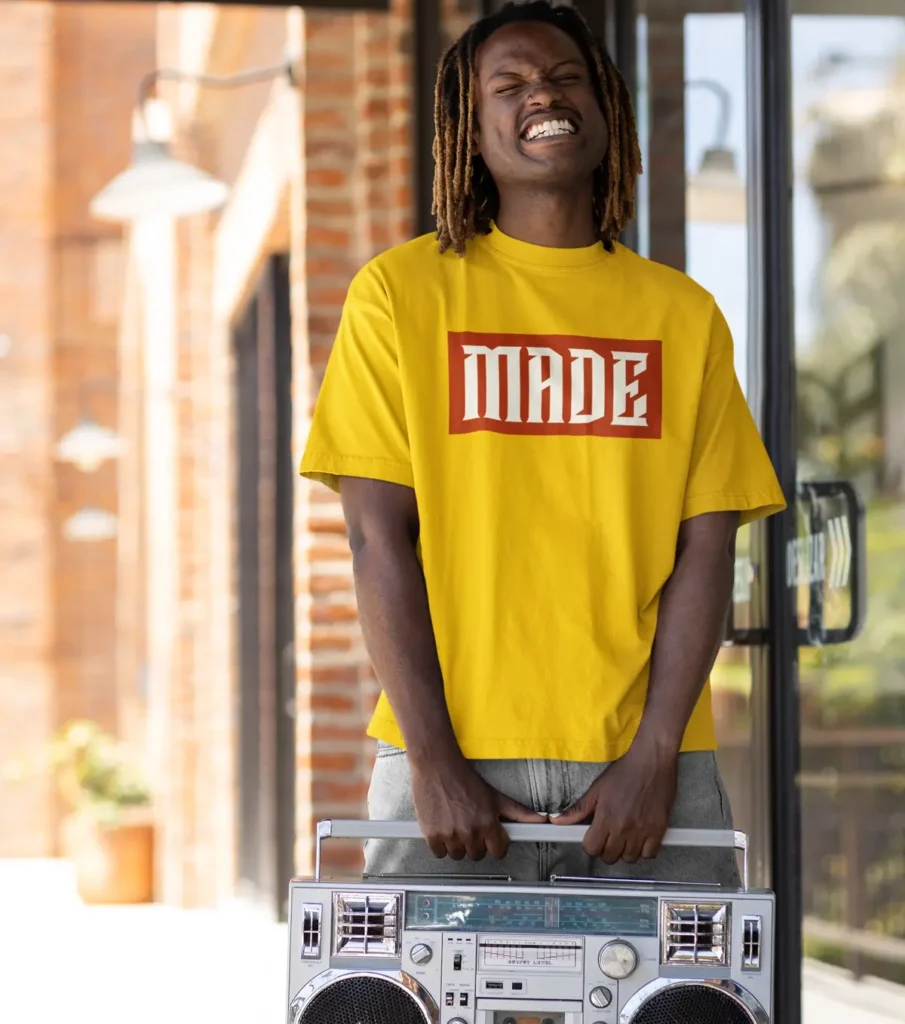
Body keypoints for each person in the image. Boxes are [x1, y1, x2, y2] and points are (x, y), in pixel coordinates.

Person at [300, 0, 785, 886]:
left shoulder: (680, 315)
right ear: (468, 125)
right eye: (509, 83)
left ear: (603, 105)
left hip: (648, 762)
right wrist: (434, 763)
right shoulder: (400, 297)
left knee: (676, 1013)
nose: (541, 95)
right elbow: (376, 541)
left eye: (563, 78)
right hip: (450, 757)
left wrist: (655, 757)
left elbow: (705, 549)